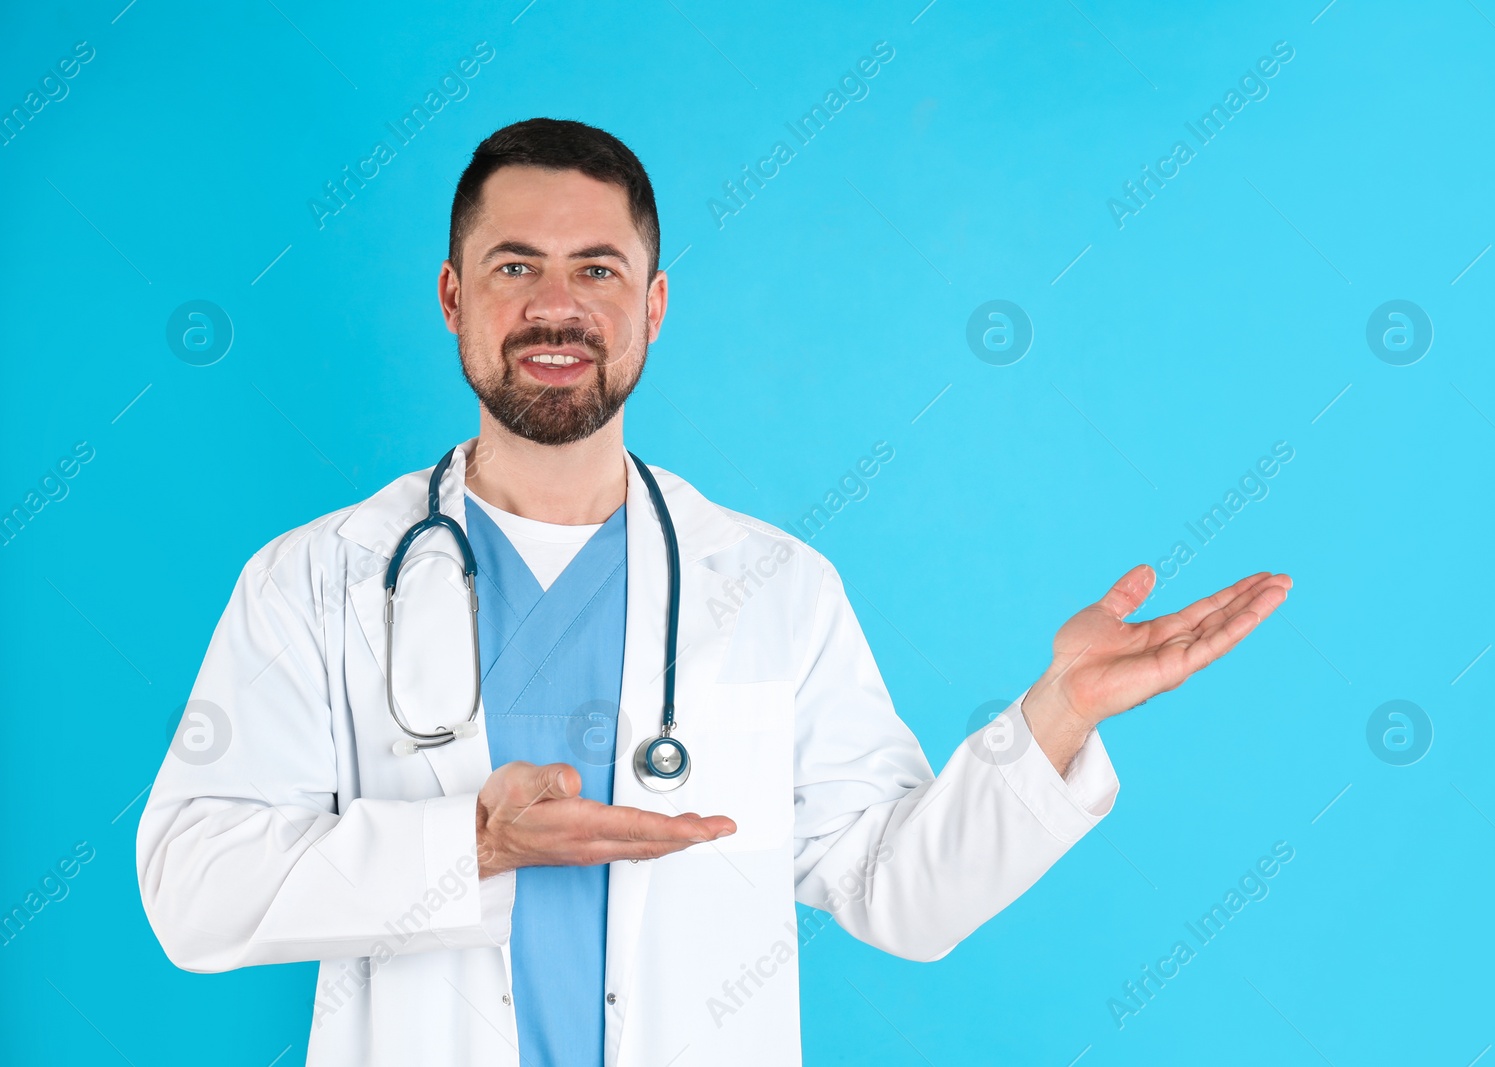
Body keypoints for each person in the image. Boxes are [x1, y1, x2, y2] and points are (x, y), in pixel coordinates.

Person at [136, 118, 1291, 1067]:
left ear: (653, 304)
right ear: (451, 295)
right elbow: (189, 887)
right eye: (513, 267)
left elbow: (902, 893)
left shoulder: (774, 586)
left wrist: (1057, 716)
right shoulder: (316, 579)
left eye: (598, 269)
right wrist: (468, 845)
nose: (556, 307)